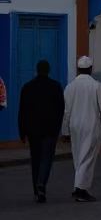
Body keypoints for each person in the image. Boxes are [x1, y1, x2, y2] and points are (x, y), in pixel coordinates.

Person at [62, 56, 101, 202]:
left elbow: (66, 111)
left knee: (78, 156)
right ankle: (81, 189)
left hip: (75, 125)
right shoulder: (97, 86)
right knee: (87, 157)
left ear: (78, 69)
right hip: (91, 125)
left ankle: (79, 187)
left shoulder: (70, 87)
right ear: (90, 69)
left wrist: (65, 131)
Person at [18, 59, 65, 202]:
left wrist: (22, 132)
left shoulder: (27, 87)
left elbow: (22, 111)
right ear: (49, 70)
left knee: (36, 159)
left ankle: (36, 189)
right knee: (46, 159)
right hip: (50, 130)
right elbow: (61, 109)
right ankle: (41, 184)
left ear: (37, 70)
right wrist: (58, 129)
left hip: (33, 131)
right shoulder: (56, 86)